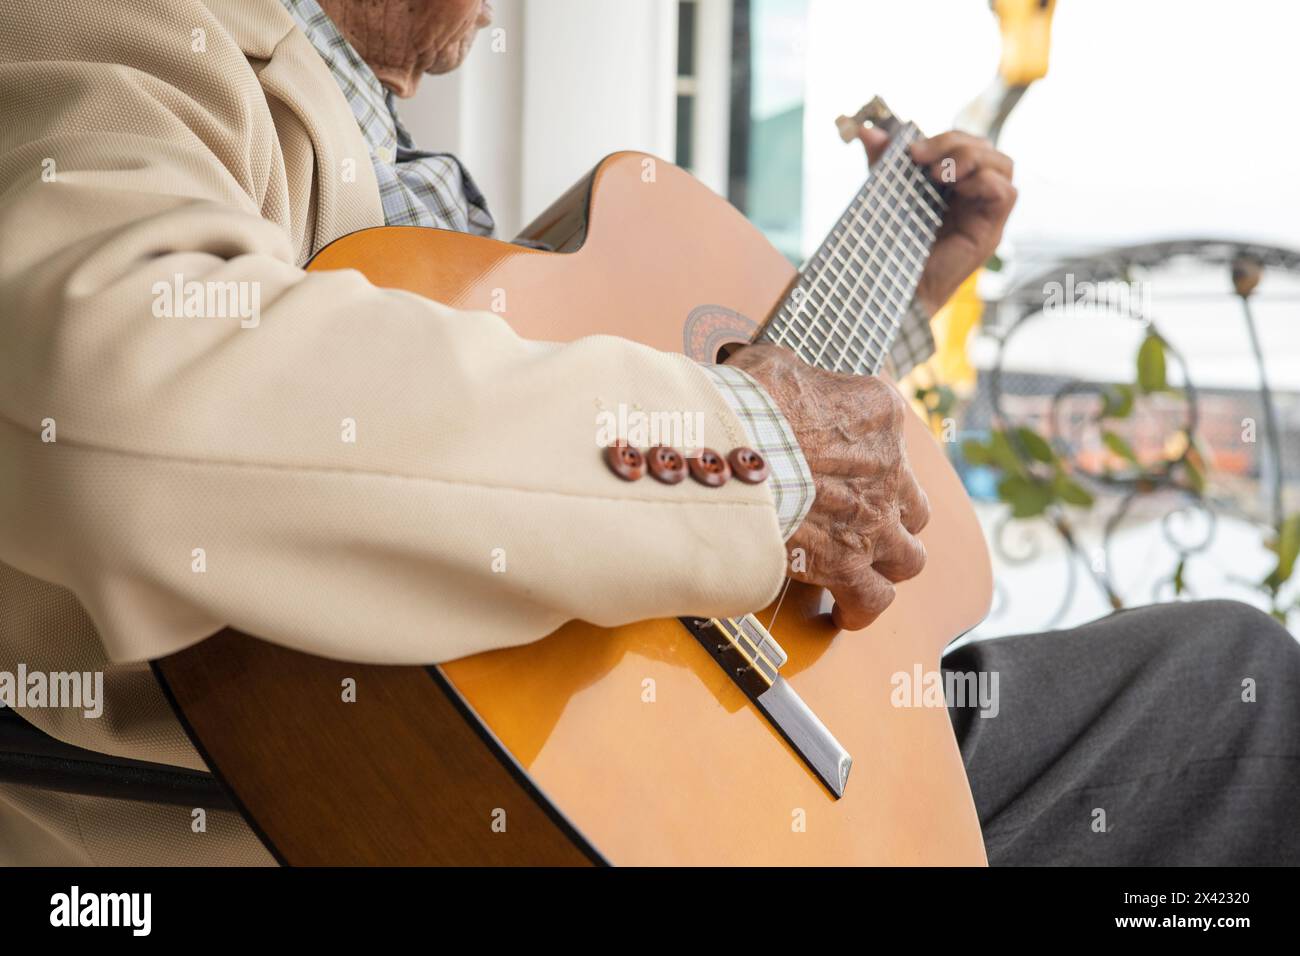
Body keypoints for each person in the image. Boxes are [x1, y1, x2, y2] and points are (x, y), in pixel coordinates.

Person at [0, 0, 1295, 866]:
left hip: (643, 731)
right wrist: (764, 451)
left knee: (1231, 689)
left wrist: (888, 317)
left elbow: (526, 458)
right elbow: (133, 389)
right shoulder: (126, 27)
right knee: (1239, 710)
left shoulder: (400, 159)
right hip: (420, 795)